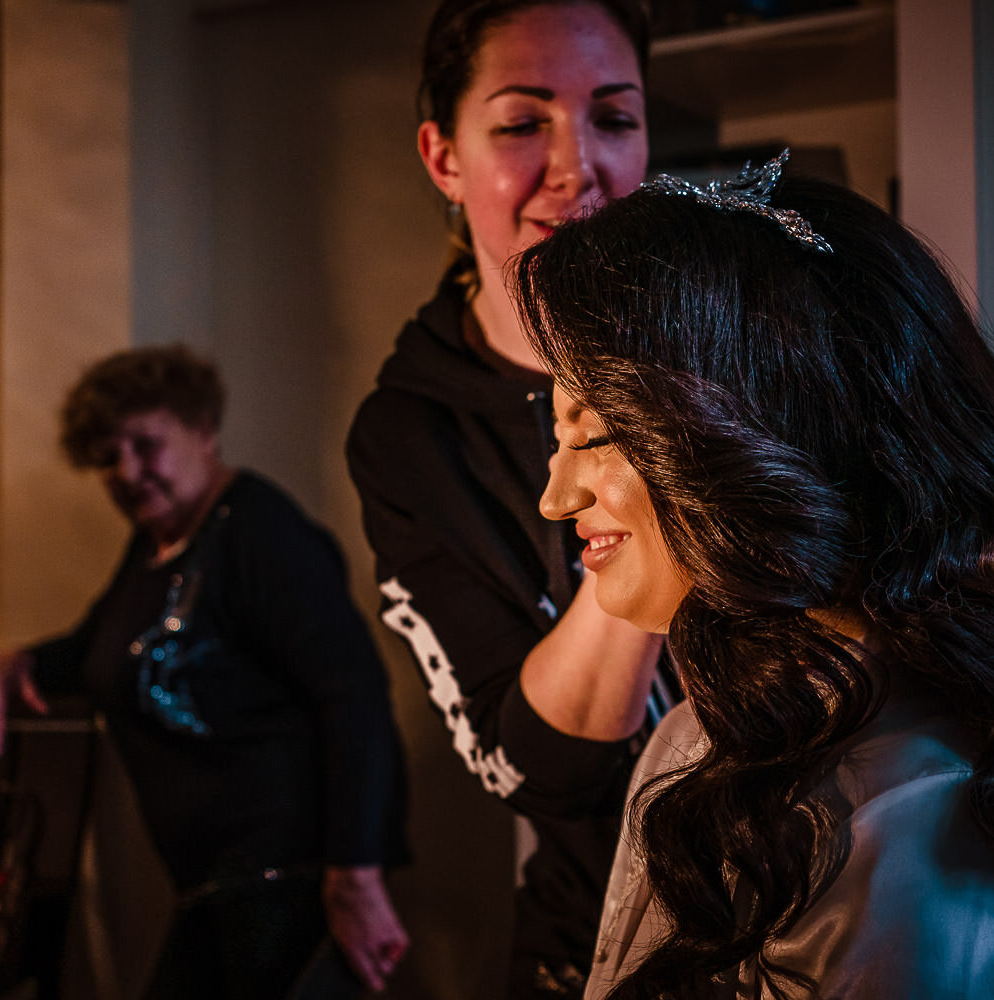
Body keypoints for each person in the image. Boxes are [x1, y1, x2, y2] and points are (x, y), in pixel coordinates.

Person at [517, 159, 994, 998]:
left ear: (757, 433)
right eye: (556, 432)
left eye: (595, 435)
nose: (554, 496)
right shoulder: (703, 734)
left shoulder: (900, 838)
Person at [346, 1, 671, 994]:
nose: (578, 167)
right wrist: (652, 505)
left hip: (826, 904)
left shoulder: (738, 337)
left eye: (614, 118)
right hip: (605, 943)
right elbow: (528, 765)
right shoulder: (412, 435)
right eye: (524, 123)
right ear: (443, 157)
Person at [0, 344, 409, 999]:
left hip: (286, 883)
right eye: (108, 457)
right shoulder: (155, 546)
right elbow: (96, 651)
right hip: (217, 890)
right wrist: (14, 664)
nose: (127, 471)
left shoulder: (259, 532)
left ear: (204, 431)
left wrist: (357, 875)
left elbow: (356, 696)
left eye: (145, 445)